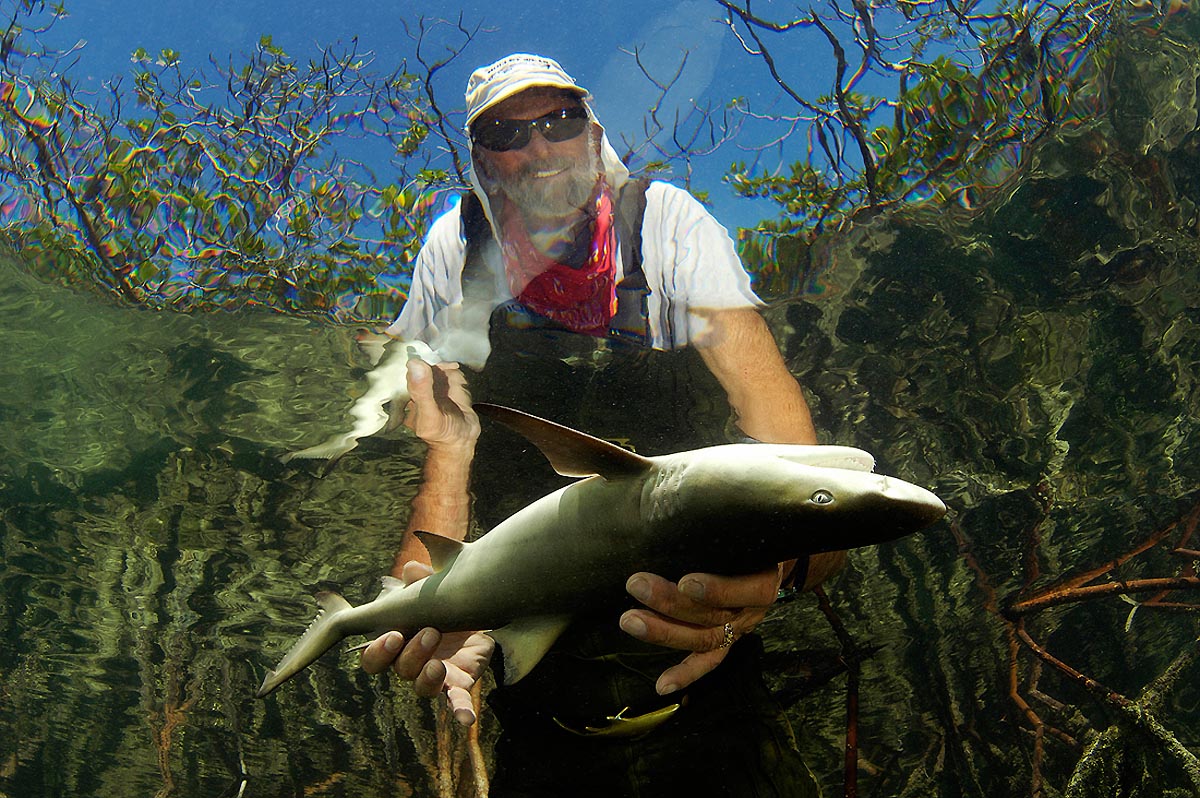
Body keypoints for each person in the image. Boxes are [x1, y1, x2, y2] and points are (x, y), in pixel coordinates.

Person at [360, 53, 845, 796]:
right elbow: (447, 445)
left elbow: (799, 470)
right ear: (482, 162)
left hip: (717, 704)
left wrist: (774, 577)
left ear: (593, 133)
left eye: (559, 120)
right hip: (538, 725)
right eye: (506, 133)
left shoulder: (670, 225)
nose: (539, 146)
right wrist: (433, 607)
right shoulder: (452, 253)